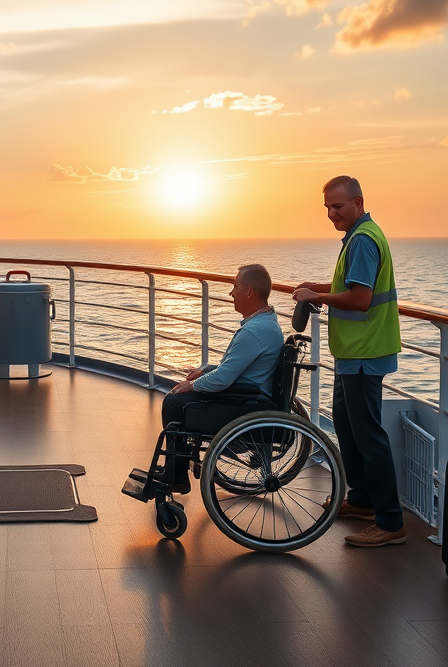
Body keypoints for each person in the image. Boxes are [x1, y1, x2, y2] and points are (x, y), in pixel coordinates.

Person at [293, 175, 405, 548]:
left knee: (369, 436)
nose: (331, 214)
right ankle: (361, 499)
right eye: (327, 208)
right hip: (354, 353)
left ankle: (390, 522)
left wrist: (319, 298)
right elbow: (351, 286)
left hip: (365, 352)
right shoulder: (361, 235)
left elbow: (360, 299)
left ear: (358, 201)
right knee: (347, 424)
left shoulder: (362, 240)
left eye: (337, 206)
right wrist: (319, 287)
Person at [162, 263, 284, 490]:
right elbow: (234, 367)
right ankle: (174, 466)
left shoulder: (253, 332)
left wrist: (192, 385)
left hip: (244, 403)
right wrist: (204, 371)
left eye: (235, 286)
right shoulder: (266, 323)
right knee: (183, 393)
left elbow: (222, 380)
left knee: (174, 402)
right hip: (249, 394)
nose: (231, 293)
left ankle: (175, 475)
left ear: (249, 292)